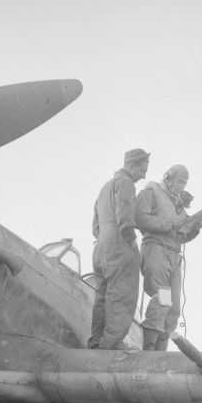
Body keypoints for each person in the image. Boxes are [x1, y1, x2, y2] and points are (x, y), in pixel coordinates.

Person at [135, 164, 202, 351]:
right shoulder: (151, 192)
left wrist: (194, 227)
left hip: (173, 256)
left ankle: (160, 354)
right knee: (163, 299)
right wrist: (169, 222)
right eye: (179, 181)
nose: (182, 186)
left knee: (173, 307)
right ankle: (149, 351)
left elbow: (180, 236)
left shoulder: (178, 203)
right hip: (157, 251)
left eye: (185, 183)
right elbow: (138, 218)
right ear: (168, 177)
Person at [88, 149, 150, 350]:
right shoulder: (126, 183)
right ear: (132, 165)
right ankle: (112, 343)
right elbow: (124, 218)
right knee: (122, 295)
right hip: (119, 244)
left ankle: (96, 342)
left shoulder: (105, 187)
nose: (144, 175)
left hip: (101, 247)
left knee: (102, 296)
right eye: (142, 169)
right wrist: (131, 242)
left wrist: (104, 241)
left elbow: (95, 226)